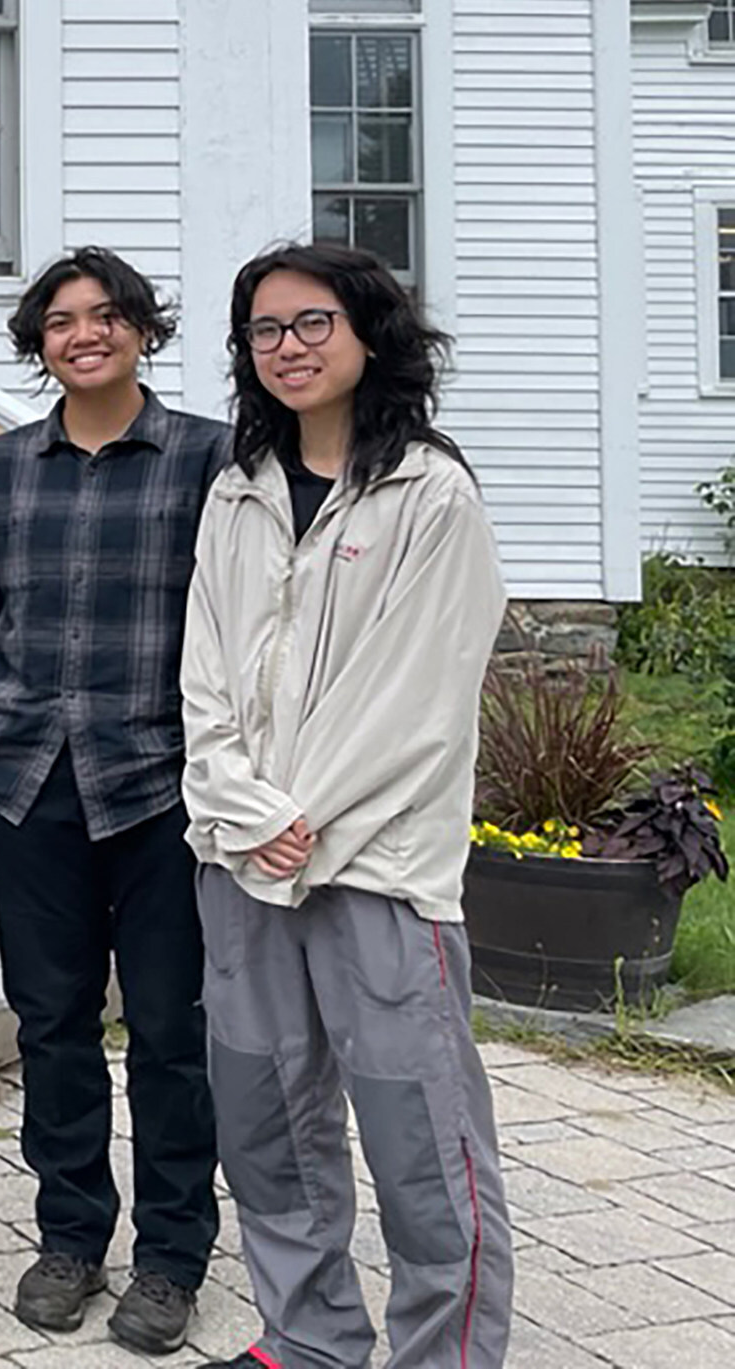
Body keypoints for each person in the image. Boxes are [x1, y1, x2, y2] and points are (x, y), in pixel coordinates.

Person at [183, 242, 513, 1369]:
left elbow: (417, 695)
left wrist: (298, 815)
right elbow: (207, 669)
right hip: (240, 861)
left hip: (374, 865)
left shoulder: (431, 493)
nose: (288, 347)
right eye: (266, 330)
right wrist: (236, 804)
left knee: (422, 1136)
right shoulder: (237, 489)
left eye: (311, 322)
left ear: (370, 332)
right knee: (267, 1121)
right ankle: (310, 1336)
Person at [0, 246, 227, 1355]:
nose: (84, 334)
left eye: (106, 316)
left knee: (168, 1031)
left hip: (161, 785)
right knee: (53, 1025)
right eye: (61, 321)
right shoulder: (0, 468)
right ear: (38, 343)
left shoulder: (204, 459)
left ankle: (171, 1257)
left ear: (142, 330)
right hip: (25, 785)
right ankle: (70, 1237)